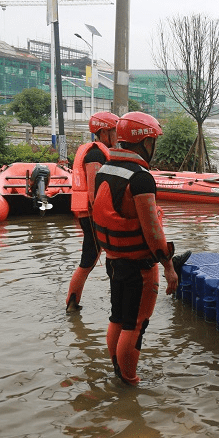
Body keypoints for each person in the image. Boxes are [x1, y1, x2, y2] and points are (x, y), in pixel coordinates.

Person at [91, 111, 187, 385]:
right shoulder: (141, 178)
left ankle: (117, 371)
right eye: (153, 140)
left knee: (118, 318)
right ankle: (129, 383)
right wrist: (169, 268)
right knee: (136, 325)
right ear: (146, 142)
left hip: (114, 260)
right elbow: (153, 232)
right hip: (139, 267)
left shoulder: (105, 170)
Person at [66, 111, 119, 312]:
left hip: (90, 216)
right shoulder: (96, 154)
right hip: (93, 217)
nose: (116, 136)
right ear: (104, 132)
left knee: (90, 260)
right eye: (114, 131)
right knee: (88, 262)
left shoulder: (97, 151)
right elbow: (94, 192)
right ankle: (71, 304)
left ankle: (73, 303)